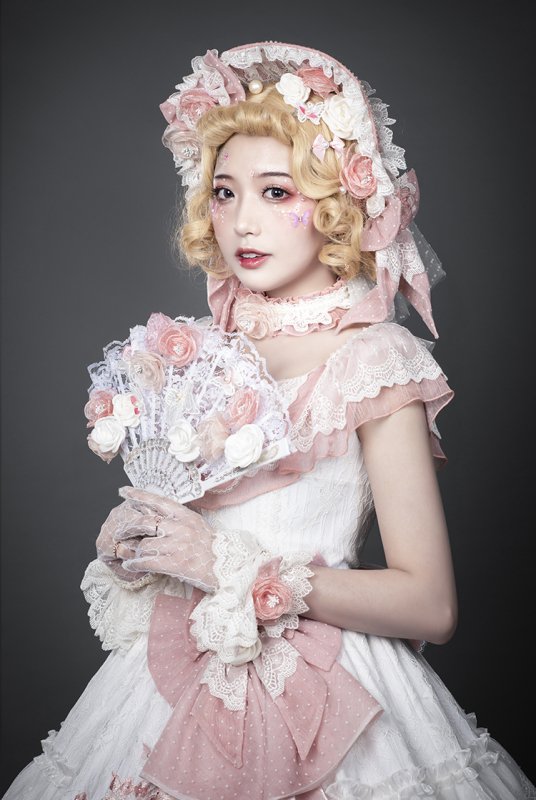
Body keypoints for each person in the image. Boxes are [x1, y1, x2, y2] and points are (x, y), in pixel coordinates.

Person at [3, 41, 535, 800]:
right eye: (224, 192)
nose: (243, 221)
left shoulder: (374, 357)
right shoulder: (197, 353)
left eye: (277, 191)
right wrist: (147, 549)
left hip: (331, 678)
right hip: (174, 679)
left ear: (339, 204)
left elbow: (430, 604)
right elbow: (190, 537)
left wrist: (235, 569)